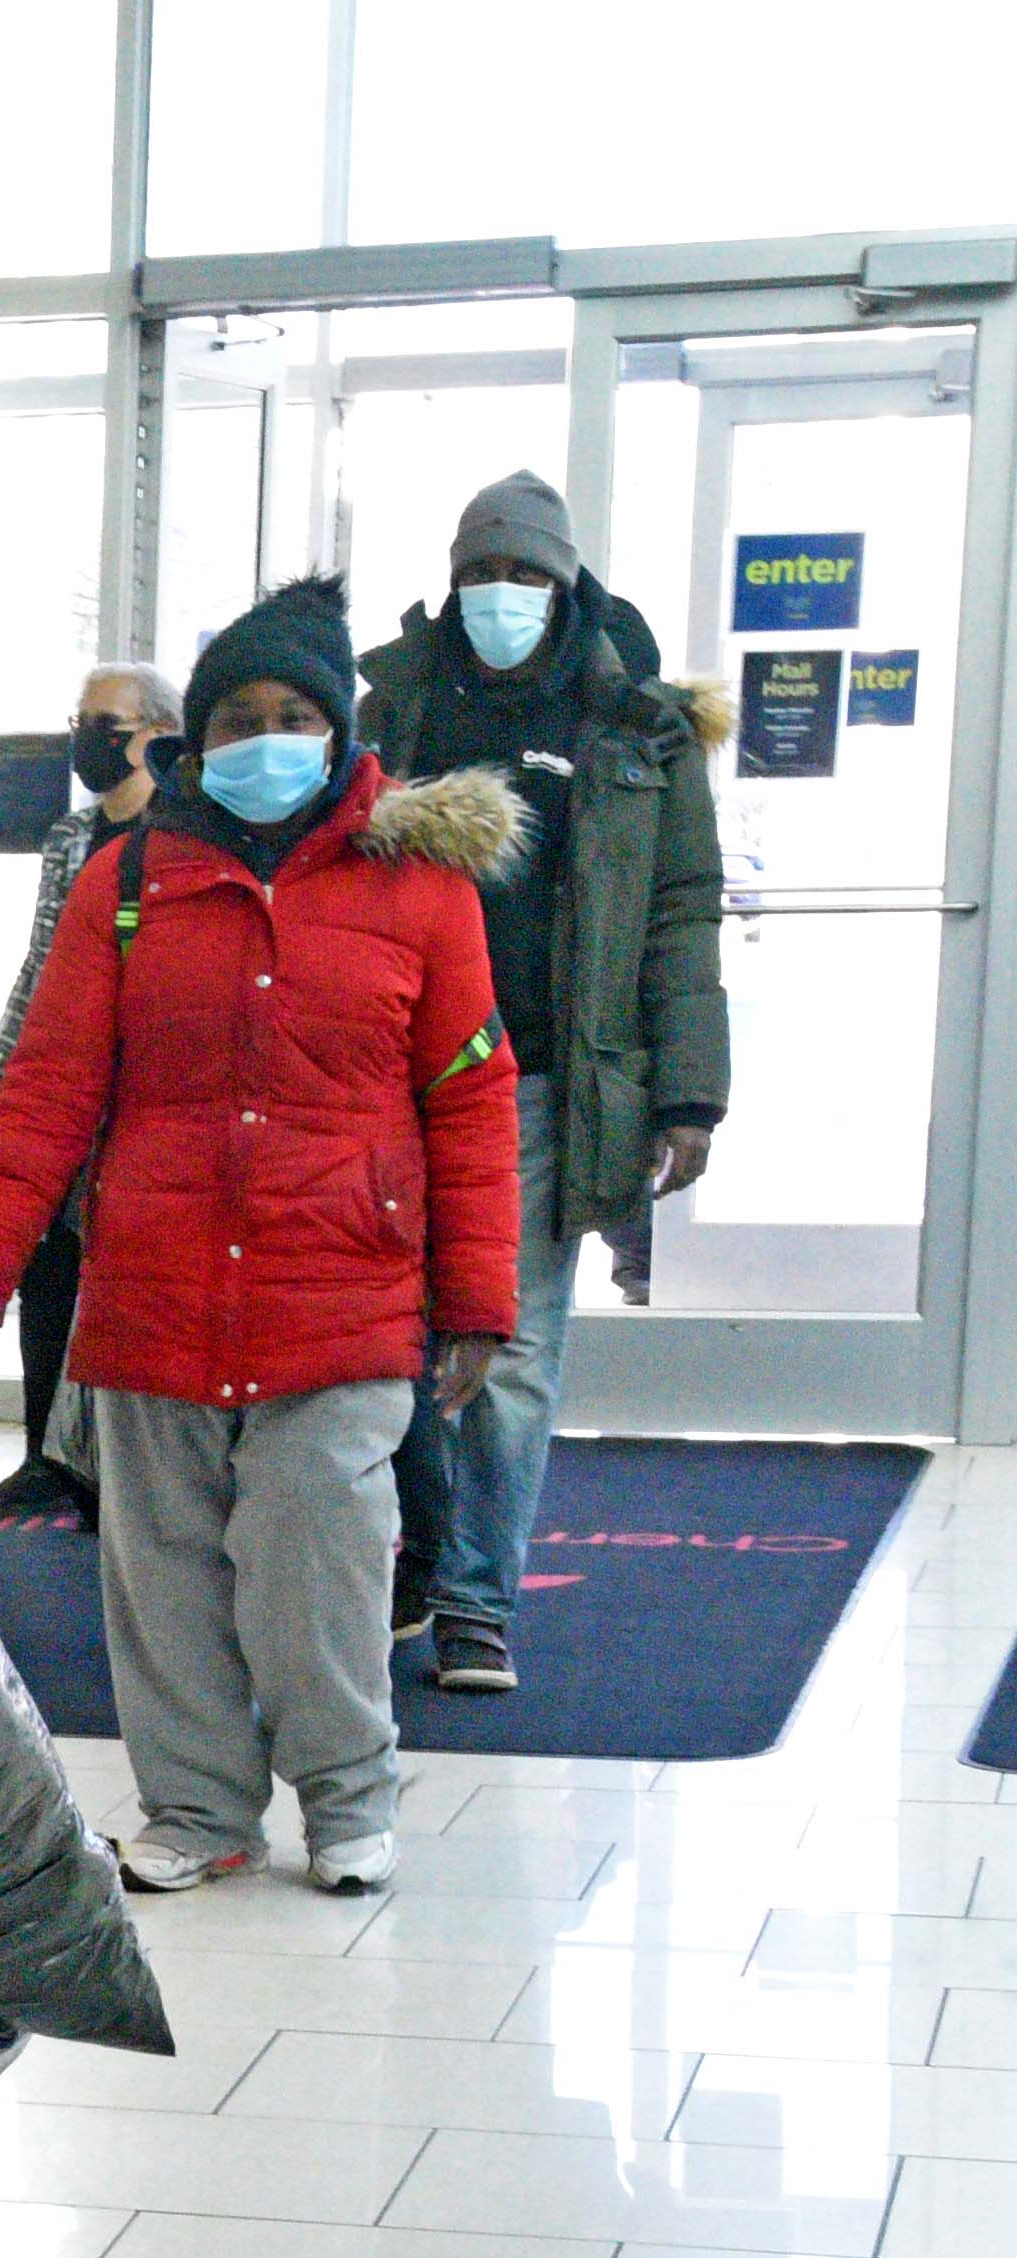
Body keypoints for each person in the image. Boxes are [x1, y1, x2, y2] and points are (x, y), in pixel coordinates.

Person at [0, 575, 520, 1895]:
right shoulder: (128, 885)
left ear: (341, 730)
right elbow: (48, 1091)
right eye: (239, 714)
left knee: (321, 1565)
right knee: (167, 1584)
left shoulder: (421, 886)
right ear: (196, 737)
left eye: (294, 712)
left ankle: (350, 1798)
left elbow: (471, 1097)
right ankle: (196, 1807)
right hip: (152, 1293)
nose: (265, 736)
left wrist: (476, 1299)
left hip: (343, 1294)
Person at [361, 473, 730, 1695]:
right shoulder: (394, 704)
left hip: (538, 1081)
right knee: (379, 1339)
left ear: (564, 582)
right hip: (387, 1070)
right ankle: (408, 1559)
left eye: (524, 574)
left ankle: (476, 1598)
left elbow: (677, 907)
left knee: (506, 1343)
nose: (500, 595)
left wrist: (687, 1092)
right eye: (480, 572)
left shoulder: (633, 723)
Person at [0, 661, 185, 1520]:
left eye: (109, 722)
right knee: (45, 1269)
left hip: (139, 1090)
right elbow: (41, 965)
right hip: (64, 1079)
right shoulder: (68, 838)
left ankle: (112, 1466)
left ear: (158, 734)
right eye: (82, 719)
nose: (90, 737)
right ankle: (42, 1455)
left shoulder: (176, 837)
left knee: (119, 1276)